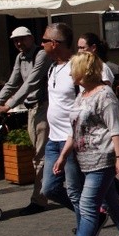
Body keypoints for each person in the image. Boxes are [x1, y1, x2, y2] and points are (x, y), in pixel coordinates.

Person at [52, 52, 119, 236]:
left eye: (74, 68)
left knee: (88, 206)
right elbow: (75, 130)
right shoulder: (82, 95)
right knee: (112, 203)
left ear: (84, 70)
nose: (71, 72)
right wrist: (63, 156)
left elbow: (115, 129)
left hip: (102, 159)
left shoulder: (105, 95)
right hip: (84, 159)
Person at [0, 26, 51, 215]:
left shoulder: (41, 54)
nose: (19, 43)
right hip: (31, 109)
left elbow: (32, 83)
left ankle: (40, 200)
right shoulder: (20, 57)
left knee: (41, 157)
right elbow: (12, 82)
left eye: (22, 39)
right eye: (15, 41)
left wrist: (9, 104)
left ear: (31, 38)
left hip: (44, 107)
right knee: (41, 155)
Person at [77, 32, 119, 219]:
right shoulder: (83, 68)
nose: (79, 51)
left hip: (100, 136)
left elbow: (104, 99)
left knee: (100, 181)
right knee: (105, 186)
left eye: (82, 47)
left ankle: (96, 217)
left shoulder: (101, 70)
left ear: (93, 48)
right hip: (87, 138)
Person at [40, 23, 80, 216]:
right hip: (53, 140)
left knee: (75, 191)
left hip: (71, 140)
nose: (42, 44)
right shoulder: (52, 68)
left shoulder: (77, 67)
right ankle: (95, 216)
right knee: (49, 189)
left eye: (44, 40)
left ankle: (86, 229)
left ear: (55, 43)